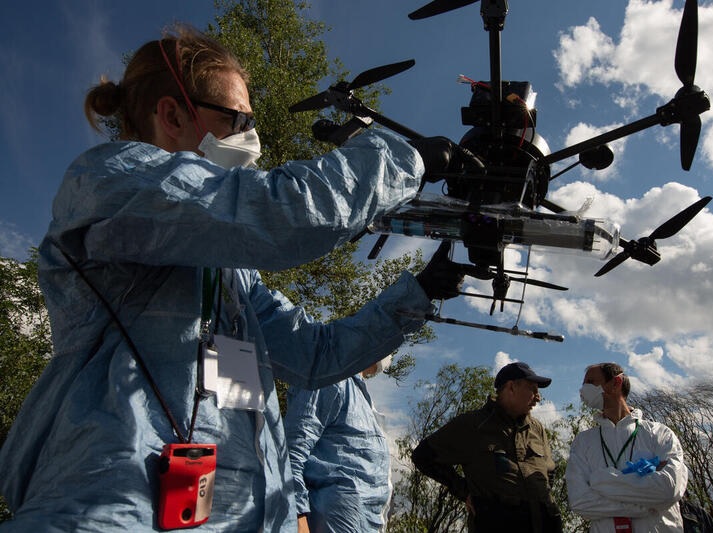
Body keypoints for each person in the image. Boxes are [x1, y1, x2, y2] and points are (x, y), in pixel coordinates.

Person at [0, 24, 471, 532]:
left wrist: (418, 293)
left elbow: (315, 356)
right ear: (173, 114)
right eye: (238, 118)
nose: (252, 137)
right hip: (112, 507)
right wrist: (410, 157)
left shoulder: (229, 279)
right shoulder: (107, 182)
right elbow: (283, 214)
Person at [411, 361, 563, 532]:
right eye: (533, 389)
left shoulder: (537, 428)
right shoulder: (473, 424)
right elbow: (423, 456)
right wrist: (464, 492)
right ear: (511, 387)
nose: (538, 397)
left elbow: (549, 472)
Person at [565, 362, 688, 532]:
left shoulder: (660, 434)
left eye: (591, 382)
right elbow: (580, 501)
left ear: (616, 383)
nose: (583, 390)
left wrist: (601, 481)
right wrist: (644, 507)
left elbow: (668, 490)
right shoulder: (584, 442)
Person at [284, 356, 394, 533]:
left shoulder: (364, 401)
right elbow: (291, 451)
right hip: (331, 521)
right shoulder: (332, 379)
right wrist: (297, 517)